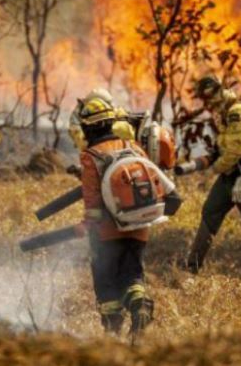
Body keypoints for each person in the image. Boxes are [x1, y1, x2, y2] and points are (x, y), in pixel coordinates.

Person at [78, 95, 182, 338]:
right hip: (139, 225)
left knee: (105, 279)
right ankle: (140, 304)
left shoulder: (90, 156)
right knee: (132, 274)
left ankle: (112, 330)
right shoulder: (133, 146)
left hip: (106, 231)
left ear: (88, 127)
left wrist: (87, 226)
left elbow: (92, 200)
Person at [183, 76, 241, 276]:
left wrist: (216, 167)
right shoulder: (223, 113)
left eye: (208, 98)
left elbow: (237, 149)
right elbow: (225, 146)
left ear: (217, 93)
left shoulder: (236, 112)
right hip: (231, 173)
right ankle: (192, 267)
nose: (207, 103)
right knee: (210, 211)